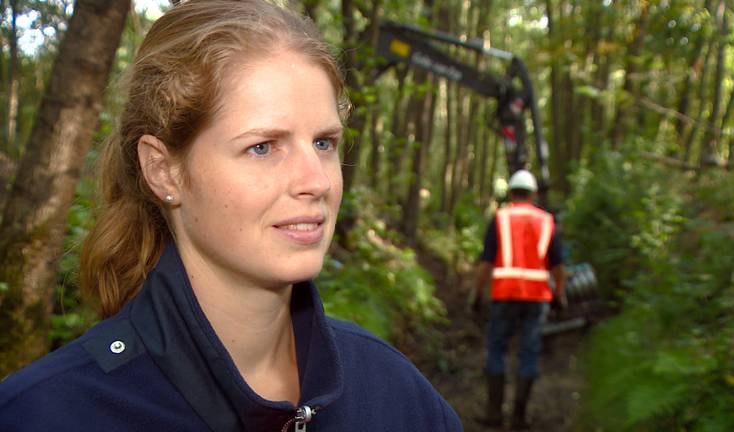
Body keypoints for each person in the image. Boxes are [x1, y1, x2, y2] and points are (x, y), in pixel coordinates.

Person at [0, 1, 462, 431]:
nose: (316, 181)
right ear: (163, 171)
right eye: (262, 147)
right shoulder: (45, 413)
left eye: (324, 143)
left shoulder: (396, 395)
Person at [471, 169, 566, 430]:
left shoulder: (500, 218)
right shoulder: (547, 221)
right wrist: (559, 293)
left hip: (504, 295)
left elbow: (486, 263)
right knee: (529, 353)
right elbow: (558, 266)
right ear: (534, 194)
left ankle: (494, 414)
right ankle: (519, 417)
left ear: (510, 193)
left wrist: (477, 294)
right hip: (536, 298)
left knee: (497, 350)